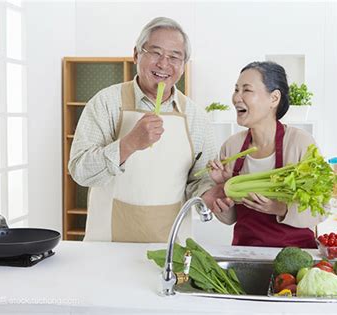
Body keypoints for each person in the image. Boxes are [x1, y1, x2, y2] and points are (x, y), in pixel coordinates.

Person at [68, 17, 222, 242]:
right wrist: (128, 144)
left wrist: (208, 194)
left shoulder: (196, 117)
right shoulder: (106, 103)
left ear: (183, 65)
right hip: (107, 246)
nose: (163, 64)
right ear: (136, 54)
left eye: (174, 57)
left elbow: (199, 180)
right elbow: (80, 172)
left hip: (171, 247)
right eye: (155, 52)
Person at [208, 61, 326, 248]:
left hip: (297, 254)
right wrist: (222, 189)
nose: (237, 98)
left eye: (246, 90)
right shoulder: (232, 147)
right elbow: (231, 218)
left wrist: (279, 208)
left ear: (274, 98)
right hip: (246, 252)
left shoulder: (301, 143)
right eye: (236, 89)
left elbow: (322, 209)